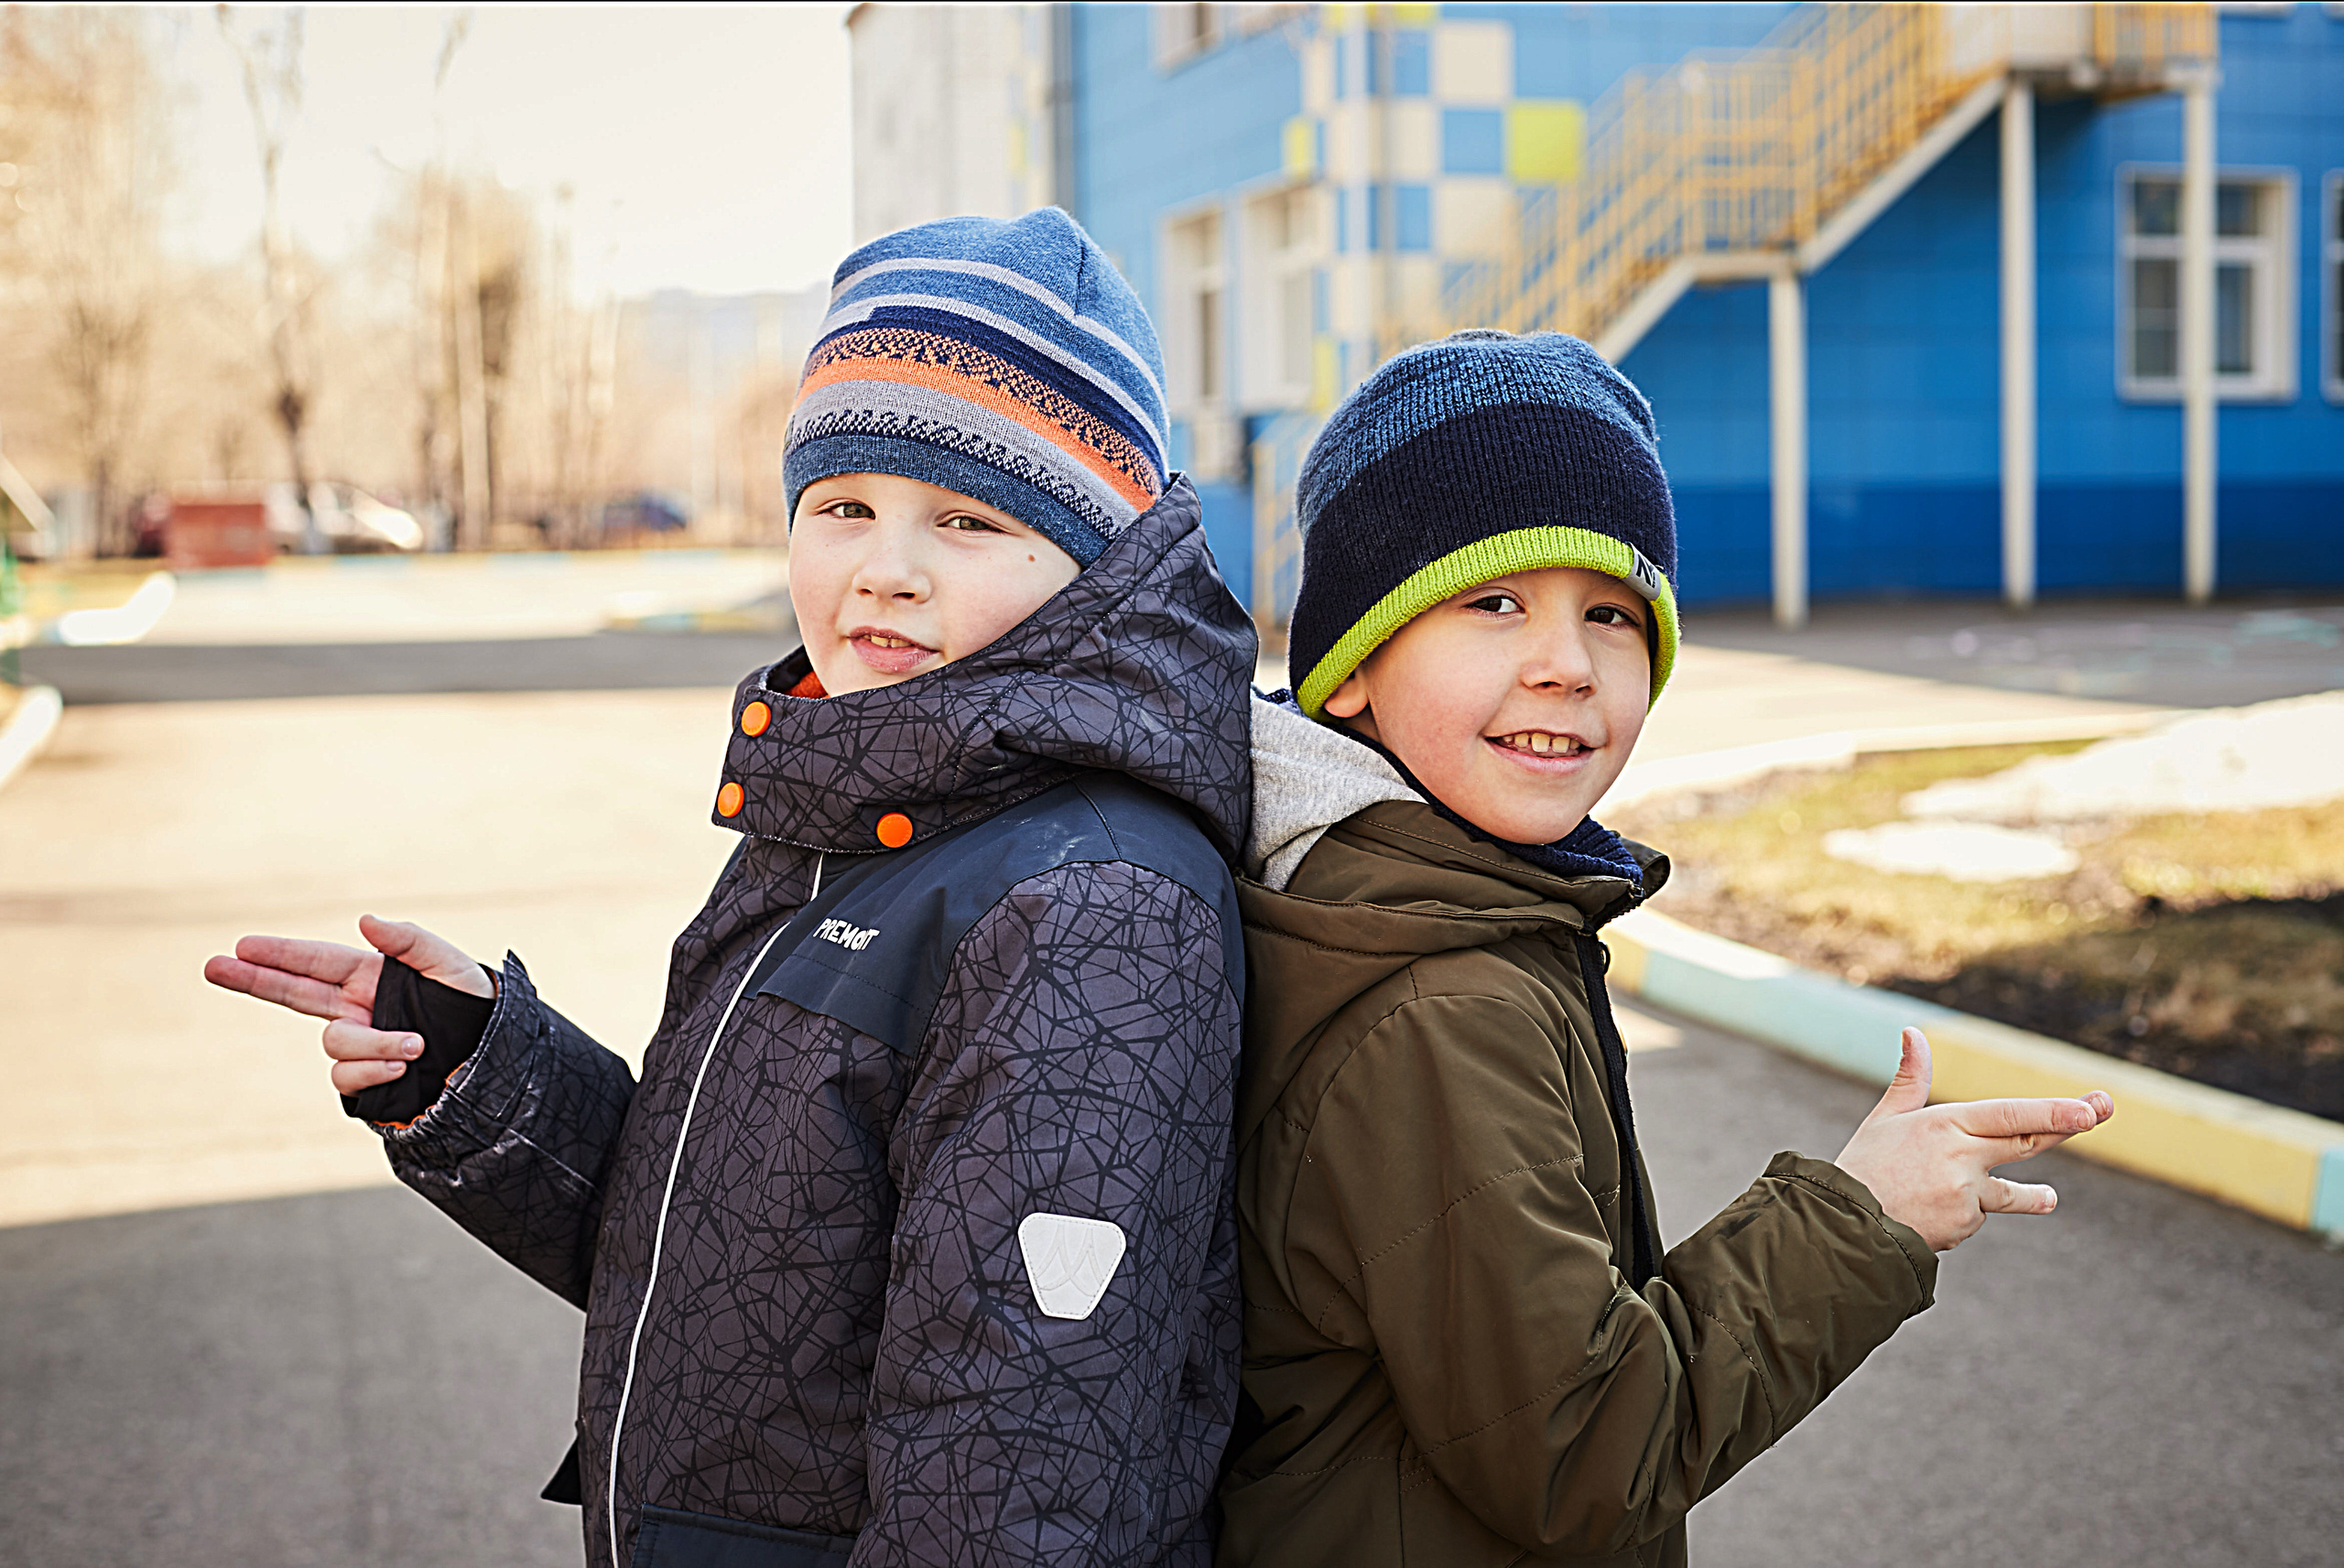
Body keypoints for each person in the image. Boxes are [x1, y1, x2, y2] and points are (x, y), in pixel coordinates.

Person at [206, 210, 1257, 1568]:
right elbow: (736, 1269)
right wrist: (484, 1072)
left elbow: (1013, 1485)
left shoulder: (1091, 907)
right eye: (844, 506)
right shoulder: (857, 809)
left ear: (1092, 564)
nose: (886, 568)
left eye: (968, 519)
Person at [1218, 329, 2114, 1568]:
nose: (1565, 665)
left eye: (1611, 614)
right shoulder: (1437, 1004)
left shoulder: (1433, 904)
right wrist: (1864, 1217)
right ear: (1351, 665)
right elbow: (1586, 1450)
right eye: (1492, 602)